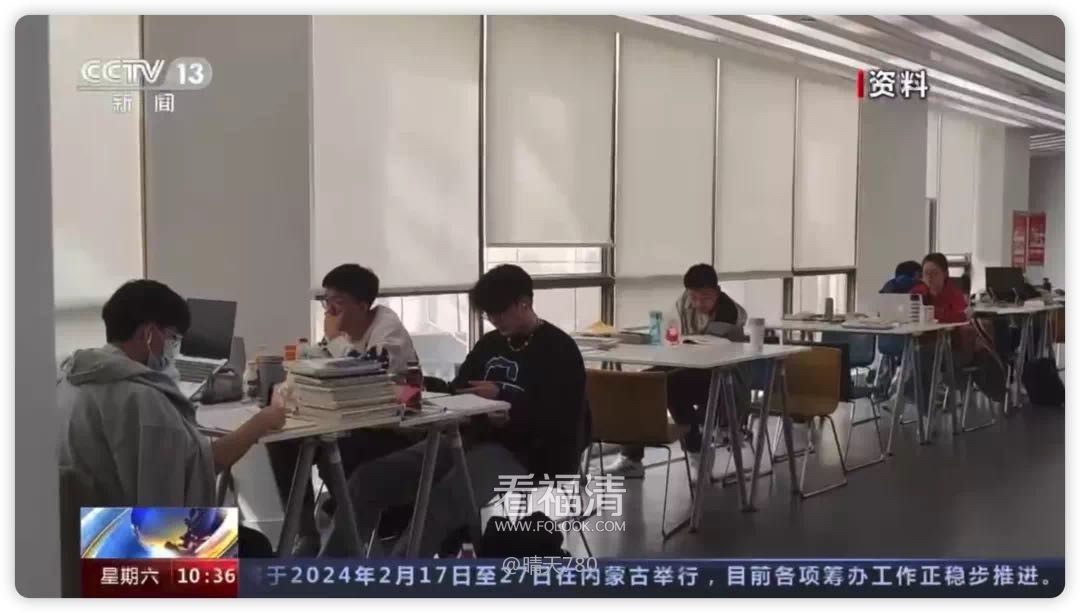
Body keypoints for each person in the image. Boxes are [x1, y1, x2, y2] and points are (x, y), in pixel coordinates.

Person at [320, 264, 589, 557]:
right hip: (466, 438)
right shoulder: (491, 343)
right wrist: (424, 385)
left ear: (524, 303)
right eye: (489, 314)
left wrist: (505, 402)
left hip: (525, 454)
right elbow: (459, 388)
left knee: (441, 501)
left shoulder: (558, 349)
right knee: (367, 480)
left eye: (500, 312)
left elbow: (561, 418)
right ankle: (328, 572)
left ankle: (400, 575)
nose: (494, 320)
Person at [57, 280, 286, 556]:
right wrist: (262, 421)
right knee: (257, 547)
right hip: (128, 547)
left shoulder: (72, 379)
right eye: (173, 338)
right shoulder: (143, 400)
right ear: (149, 333)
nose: (174, 349)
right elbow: (200, 467)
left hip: (78, 537)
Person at [266, 264, 422, 555]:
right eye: (326, 301)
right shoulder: (345, 332)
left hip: (389, 431)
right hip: (348, 422)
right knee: (282, 442)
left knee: (328, 452)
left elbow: (370, 370)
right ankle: (305, 533)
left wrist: (335, 340)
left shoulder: (387, 328)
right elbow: (320, 363)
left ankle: (352, 525)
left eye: (337, 302)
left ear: (362, 305)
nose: (329, 310)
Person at [605, 263, 748, 478]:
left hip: (720, 377)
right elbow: (676, 332)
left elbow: (711, 348)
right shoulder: (684, 300)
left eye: (705, 298)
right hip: (687, 365)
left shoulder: (730, 311)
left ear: (717, 292)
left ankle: (696, 449)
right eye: (694, 297)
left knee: (669, 384)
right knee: (642, 382)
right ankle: (631, 457)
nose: (698, 303)